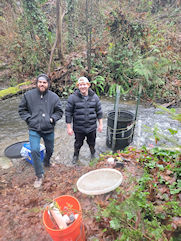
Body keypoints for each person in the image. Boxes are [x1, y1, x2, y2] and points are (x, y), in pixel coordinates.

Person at [18, 74, 63, 188]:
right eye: (40, 82)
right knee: (34, 150)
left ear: (48, 84)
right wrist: (29, 119)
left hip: (48, 129)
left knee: (50, 149)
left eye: (44, 82)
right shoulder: (28, 96)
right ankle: (39, 175)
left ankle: (47, 162)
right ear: (36, 83)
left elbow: (59, 111)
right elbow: (22, 110)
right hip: (34, 129)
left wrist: (52, 119)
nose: (42, 84)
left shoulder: (54, 97)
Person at [65, 76, 103, 165]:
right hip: (79, 128)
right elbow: (68, 113)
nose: (83, 87)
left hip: (92, 127)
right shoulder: (72, 98)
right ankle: (75, 155)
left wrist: (100, 124)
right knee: (78, 144)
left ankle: (93, 154)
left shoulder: (95, 97)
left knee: (92, 143)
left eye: (84, 84)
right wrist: (69, 128)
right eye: (80, 85)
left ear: (88, 85)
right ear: (78, 86)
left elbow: (99, 111)